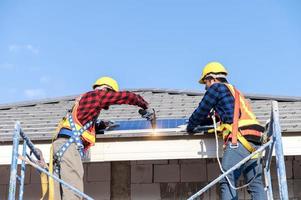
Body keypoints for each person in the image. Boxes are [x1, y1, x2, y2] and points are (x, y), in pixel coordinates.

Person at [52, 76, 149, 199]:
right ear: (106, 89)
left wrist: (102, 125)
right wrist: (144, 105)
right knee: (73, 190)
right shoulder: (96, 95)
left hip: (61, 146)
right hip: (69, 147)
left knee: (59, 192)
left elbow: (82, 125)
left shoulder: (82, 103)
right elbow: (126, 96)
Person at [186, 62, 267, 200]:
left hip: (239, 139)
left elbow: (201, 110)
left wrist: (190, 126)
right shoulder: (234, 91)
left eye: (206, 83)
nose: (206, 87)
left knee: (227, 179)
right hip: (256, 141)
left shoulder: (216, 88)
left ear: (211, 78)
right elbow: (226, 116)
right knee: (256, 184)